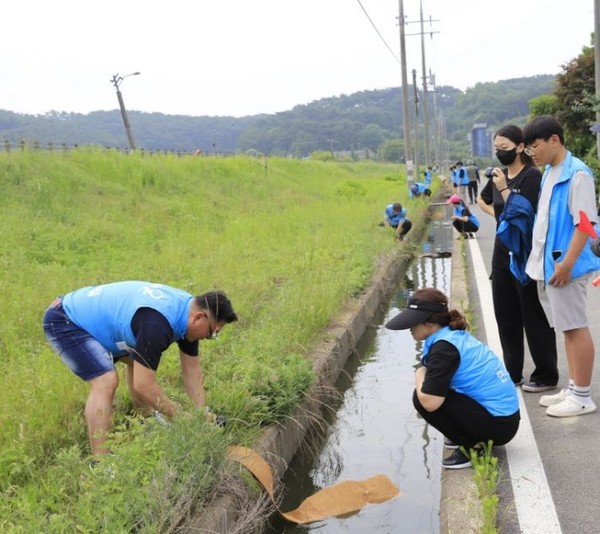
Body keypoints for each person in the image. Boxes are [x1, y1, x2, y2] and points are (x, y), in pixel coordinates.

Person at [43, 281, 238, 456]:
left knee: (136, 361)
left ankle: (144, 419)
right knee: (106, 381)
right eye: (213, 332)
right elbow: (144, 385)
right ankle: (101, 465)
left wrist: (202, 413)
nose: (210, 337)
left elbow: (192, 370)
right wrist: (181, 418)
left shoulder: (187, 312)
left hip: (96, 318)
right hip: (66, 319)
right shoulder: (158, 323)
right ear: (199, 318)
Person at [385, 288, 520, 469]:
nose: (410, 327)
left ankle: (473, 447)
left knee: (421, 397)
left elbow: (430, 402)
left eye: (414, 322)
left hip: (499, 426)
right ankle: (469, 435)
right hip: (505, 418)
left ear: (430, 323)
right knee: (433, 386)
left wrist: (419, 373)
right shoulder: (451, 335)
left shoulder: (444, 349)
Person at [523, 115, 600, 417]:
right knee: (567, 328)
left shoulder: (577, 174)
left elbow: (585, 223)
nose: (532, 153)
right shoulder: (549, 172)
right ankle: (572, 387)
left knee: (575, 327)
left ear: (554, 139)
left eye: (535, 146)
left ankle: (582, 395)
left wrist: (567, 264)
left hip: (566, 266)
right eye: (528, 149)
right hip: (551, 265)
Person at [477, 124, 558, 391]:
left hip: (525, 253)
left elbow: (526, 213)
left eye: (505, 148)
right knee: (506, 314)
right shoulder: (499, 175)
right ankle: (512, 372)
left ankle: (546, 374)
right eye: (496, 148)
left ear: (520, 147)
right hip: (502, 252)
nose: (500, 153)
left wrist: (503, 190)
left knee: (532, 314)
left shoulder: (531, 177)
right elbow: (482, 200)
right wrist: (501, 218)